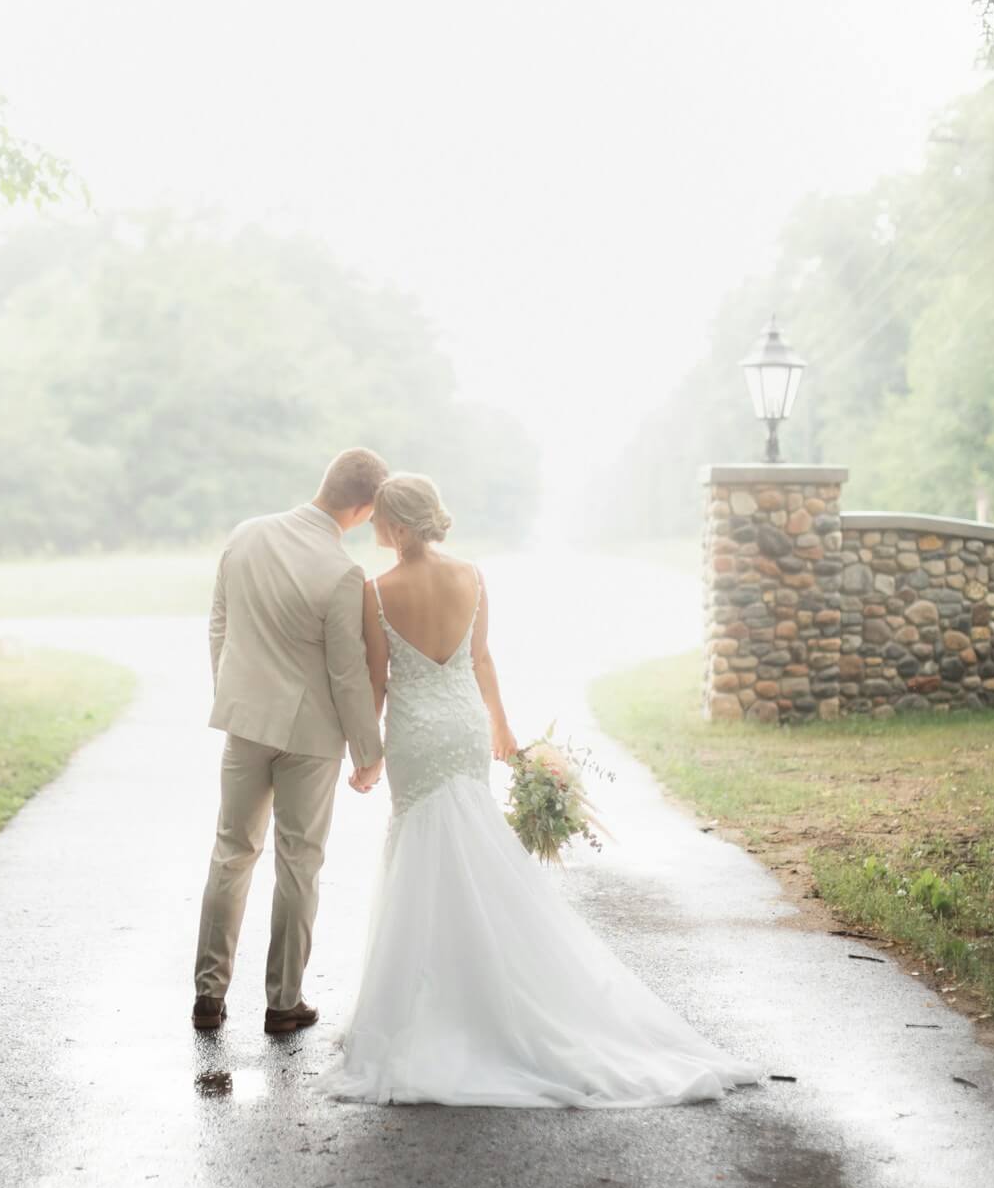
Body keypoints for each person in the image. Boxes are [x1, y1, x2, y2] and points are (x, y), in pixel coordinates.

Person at [323, 472, 759, 1106]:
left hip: (417, 731)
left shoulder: (375, 590)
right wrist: (502, 727)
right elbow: (481, 660)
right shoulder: (472, 576)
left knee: (419, 846)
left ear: (392, 524)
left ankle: (422, 1003)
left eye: (378, 520)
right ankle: (482, 991)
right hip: (464, 725)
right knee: (469, 841)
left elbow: (376, 679)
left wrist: (367, 755)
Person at [192, 448, 389, 1034]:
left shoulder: (246, 535)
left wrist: (234, 694)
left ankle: (208, 996)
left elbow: (219, 623)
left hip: (246, 722)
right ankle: (284, 1002)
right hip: (311, 736)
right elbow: (347, 673)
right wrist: (369, 752)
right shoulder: (343, 572)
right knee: (299, 864)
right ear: (364, 508)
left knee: (231, 852)